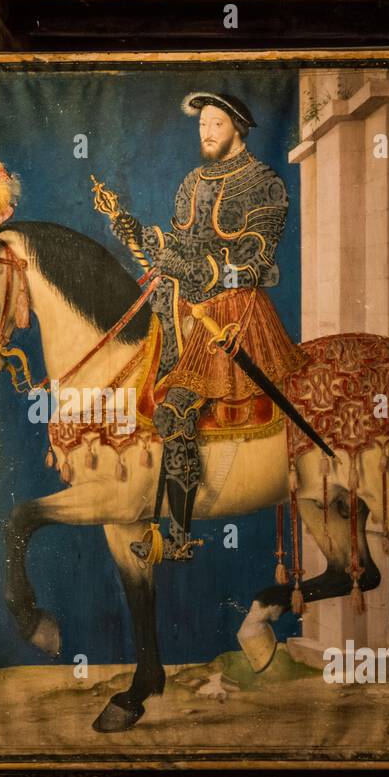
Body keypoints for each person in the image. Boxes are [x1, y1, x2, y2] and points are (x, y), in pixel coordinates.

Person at [113, 92, 304, 563]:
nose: (206, 132)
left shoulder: (264, 183)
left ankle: (178, 538)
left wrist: (196, 271)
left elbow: (256, 262)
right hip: (184, 308)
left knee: (174, 411)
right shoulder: (192, 182)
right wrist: (137, 232)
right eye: (202, 124)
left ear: (238, 127)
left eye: (215, 123)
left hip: (233, 311)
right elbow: (178, 243)